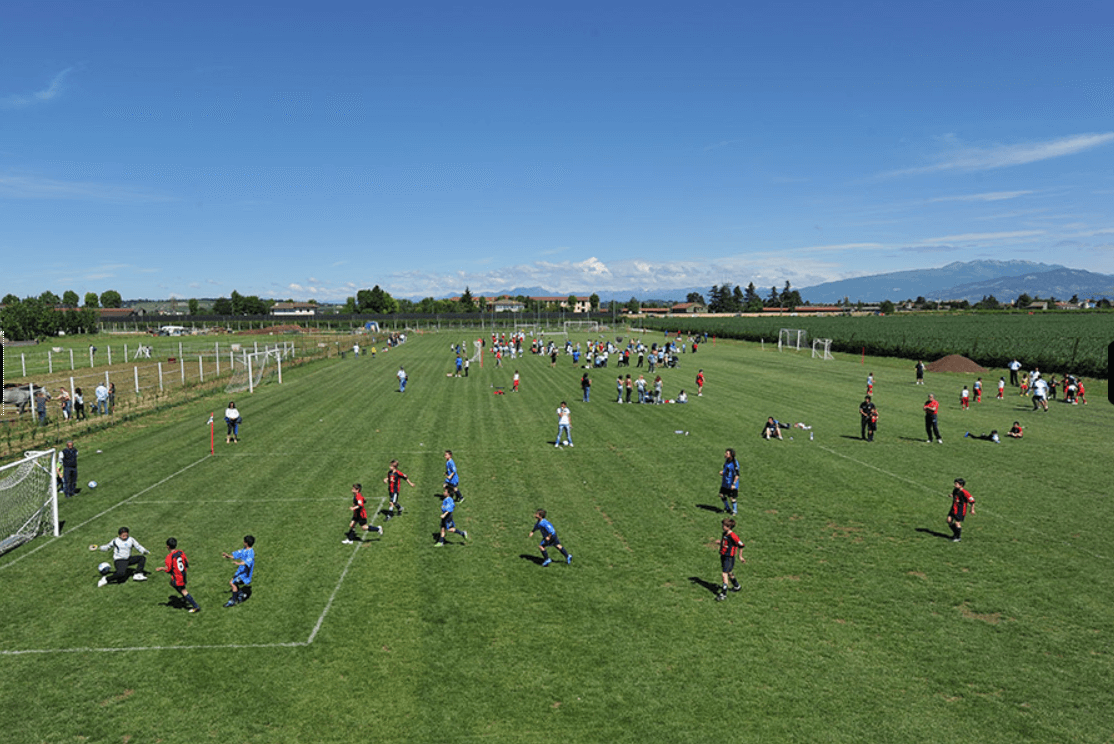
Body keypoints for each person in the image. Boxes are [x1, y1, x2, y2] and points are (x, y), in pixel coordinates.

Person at [156, 537, 200, 613]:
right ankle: (185, 598)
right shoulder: (181, 552)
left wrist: (161, 568)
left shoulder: (169, 557)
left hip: (177, 576)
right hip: (183, 574)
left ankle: (195, 606)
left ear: (168, 546)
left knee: (183, 590)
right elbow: (186, 562)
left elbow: (168, 569)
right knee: (173, 584)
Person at [715, 518, 745, 601]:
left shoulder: (733, 536)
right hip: (723, 555)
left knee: (724, 574)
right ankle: (737, 586)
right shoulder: (725, 534)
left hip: (729, 557)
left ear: (729, 527)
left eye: (724, 525)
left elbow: (741, 545)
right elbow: (726, 543)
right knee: (729, 572)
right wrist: (720, 542)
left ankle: (723, 594)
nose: (722, 527)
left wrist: (740, 556)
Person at [221, 535, 255, 606]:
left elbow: (247, 562)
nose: (243, 542)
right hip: (240, 571)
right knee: (232, 582)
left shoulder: (250, 553)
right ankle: (241, 594)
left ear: (246, 543)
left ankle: (233, 601)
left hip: (244, 574)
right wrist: (228, 556)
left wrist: (238, 563)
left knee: (233, 584)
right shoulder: (244, 549)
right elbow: (237, 555)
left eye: (244, 541)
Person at [946, 478, 975, 542]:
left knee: (957, 523)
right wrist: (951, 495)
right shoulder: (956, 490)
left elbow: (972, 501)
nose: (954, 485)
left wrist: (972, 509)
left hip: (960, 510)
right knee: (949, 520)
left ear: (961, 485)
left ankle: (958, 537)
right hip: (953, 508)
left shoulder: (965, 492)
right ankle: (956, 533)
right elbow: (954, 494)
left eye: (956, 484)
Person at [719, 448, 740, 514]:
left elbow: (737, 475)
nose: (725, 454)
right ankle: (727, 508)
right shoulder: (727, 460)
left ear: (731, 455)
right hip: (725, 482)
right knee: (722, 495)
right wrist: (723, 472)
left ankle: (734, 511)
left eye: (727, 453)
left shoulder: (735, 463)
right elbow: (727, 469)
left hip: (731, 483)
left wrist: (733, 484)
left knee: (732, 497)